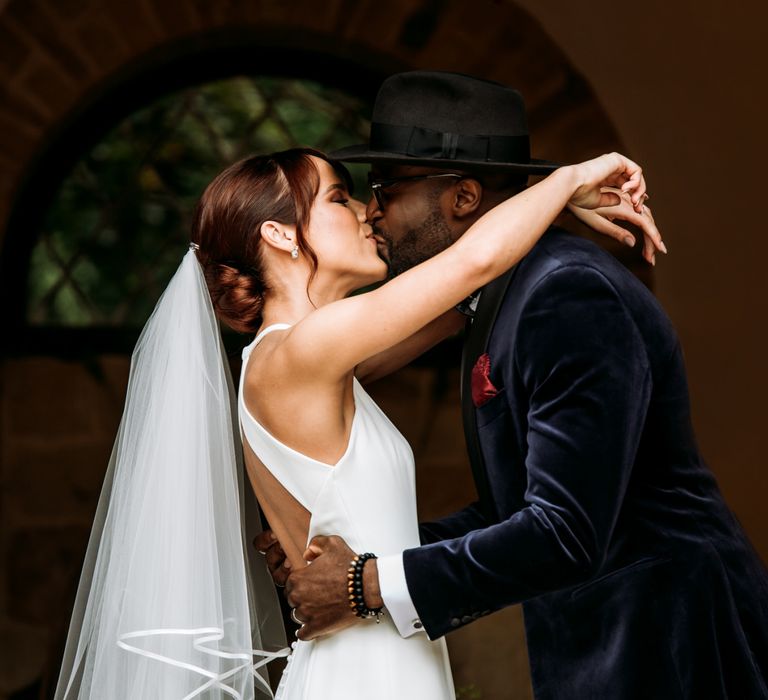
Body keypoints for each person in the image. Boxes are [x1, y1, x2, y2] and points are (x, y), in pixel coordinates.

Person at [263, 71, 768, 699]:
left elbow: (564, 532)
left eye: (385, 188)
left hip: (672, 648)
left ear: (464, 198)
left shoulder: (566, 294)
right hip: (602, 646)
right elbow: (510, 511)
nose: (373, 211)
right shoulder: (502, 299)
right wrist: (336, 556)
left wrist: (365, 584)